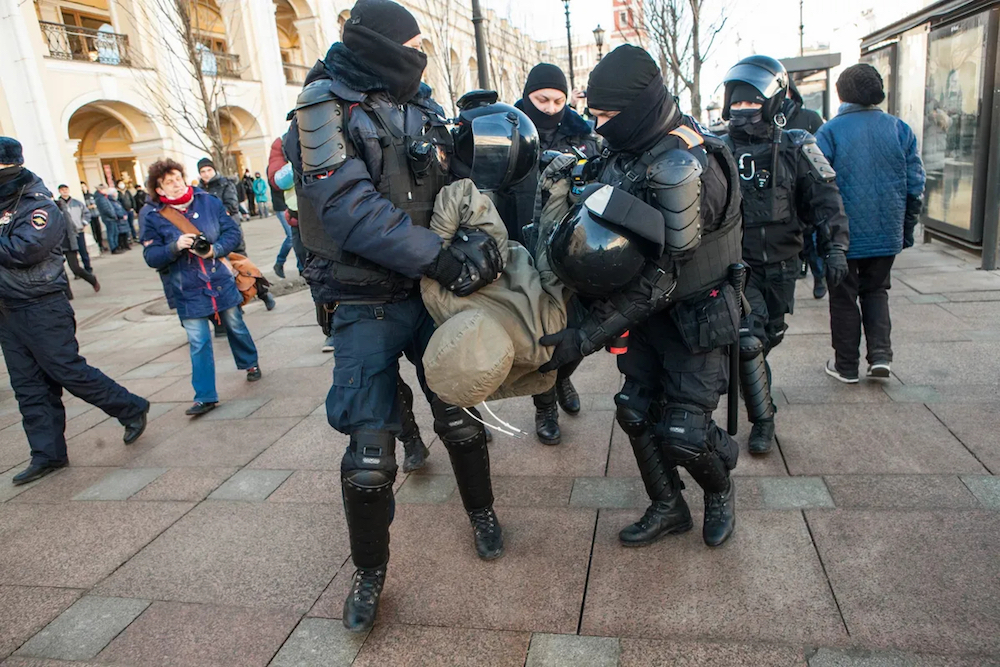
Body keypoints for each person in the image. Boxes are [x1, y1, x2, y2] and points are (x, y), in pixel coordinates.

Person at [284, 0, 505, 632]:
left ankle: (483, 513)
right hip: (364, 300)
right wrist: (438, 256)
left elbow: (452, 185)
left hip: (429, 296)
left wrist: (479, 232)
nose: (420, 52)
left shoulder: (424, 103)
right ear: (378, 44)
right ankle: (369, 573)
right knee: (369, 457)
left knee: (460, 416)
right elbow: (347, 208)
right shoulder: (322, 107)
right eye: (409, 42)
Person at [539, 45, 742, 549]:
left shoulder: (687, 166)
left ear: (638, 109)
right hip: (648, 316)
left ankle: (719, 485)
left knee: (686, 434)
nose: (599, 125)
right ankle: (668, 505)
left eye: (608, 116)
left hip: (696, 314)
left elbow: (665, 275)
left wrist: (583, 339)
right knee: (635, 410)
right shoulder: (630, 148)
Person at [720, 55, 850, 455]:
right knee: (747, 341)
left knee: (767, 337)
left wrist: (836, 248)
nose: (743, 111)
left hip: (781, 264)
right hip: (735, 266)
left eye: (752, 103)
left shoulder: (797, 144)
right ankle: (764, 419)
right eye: (736, 103)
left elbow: (825, 200)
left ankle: (751, 382)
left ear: (773, 101)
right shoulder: (717, 148)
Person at [0, 137, 149, 485]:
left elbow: (25, 249)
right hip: (8, 309)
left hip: (41, 305)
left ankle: (130, 407)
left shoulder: (37, 205)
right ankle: (48, 454)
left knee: (66, 370)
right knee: (28, 385)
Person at [499, 62, 601, 446]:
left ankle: (563, 376)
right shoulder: (508, 131)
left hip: (574, 251)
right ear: (528, 96)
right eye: (542, 99)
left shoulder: (584, 136)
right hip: (525, 251)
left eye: (559, 99)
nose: (551, 107)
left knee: (577, 331)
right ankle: (545, 406)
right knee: (542, 334)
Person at [816, 63, 925, 383]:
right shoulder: (899, 129)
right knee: (877, 290)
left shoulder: (830, 132)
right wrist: (905, 228)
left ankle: (846, 365)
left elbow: (819, 187)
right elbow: (915, 183)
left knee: (843, 296)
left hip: (842, 235)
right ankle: (880, 356)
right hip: (885, 229)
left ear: (841, 93)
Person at [140, 158, 263, 416]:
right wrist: (174, 247)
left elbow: (232, 233)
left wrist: (216, 250)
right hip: (187, 288)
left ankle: (250, 362)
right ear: (159, 190)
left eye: (177, 179)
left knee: (235, 324)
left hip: (220, 280)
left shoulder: (209, 201)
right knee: (198, 341)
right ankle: (205, 396)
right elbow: (151, 257)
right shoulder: (152, 215)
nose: (175, 185)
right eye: (168, 183)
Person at [781, 79, 829, 299]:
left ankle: (819, 276)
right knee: (801, 237)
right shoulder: (771, 119)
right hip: (785, 189)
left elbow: (823, 153)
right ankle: (804, 267)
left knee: (814, 235)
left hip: (810, 185)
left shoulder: (810, 118)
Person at [267, 137, 305, 278]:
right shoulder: (282, 144)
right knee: (291, 238)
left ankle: (283, 263)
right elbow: (278, 181)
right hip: (293, 213)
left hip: (328, 212)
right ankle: (285, 264)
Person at [55, 185, 100, 292]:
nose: (64, 192)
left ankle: (90, 277)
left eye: (66, 189)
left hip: (72, 237)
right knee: (60, 270)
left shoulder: (74, 204)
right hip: (58, 242)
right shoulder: (55, 208)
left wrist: (82, 223)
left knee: (76, 264)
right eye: (62, 190)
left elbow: (84, 215)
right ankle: (67, 293)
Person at [93, 184, 122, 254]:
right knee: (111, 233)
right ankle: (113, 247)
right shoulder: (100, 198)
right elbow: (106, 209)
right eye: (105, 189)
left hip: (111, 217)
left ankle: (116, 246)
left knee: (115, 232)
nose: (106, 191)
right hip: (108, 218)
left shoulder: (104, 197)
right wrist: (113, 215)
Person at [107, 187, 132, 252]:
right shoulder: (111, 202)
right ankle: (121, 245)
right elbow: (114, 211)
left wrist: (125, 214)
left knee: (125, 233)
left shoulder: (116, 201)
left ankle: (126, 245)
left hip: (123, 219)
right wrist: (121, 216)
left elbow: (122, 208)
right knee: (120, 234)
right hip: (119, 219)